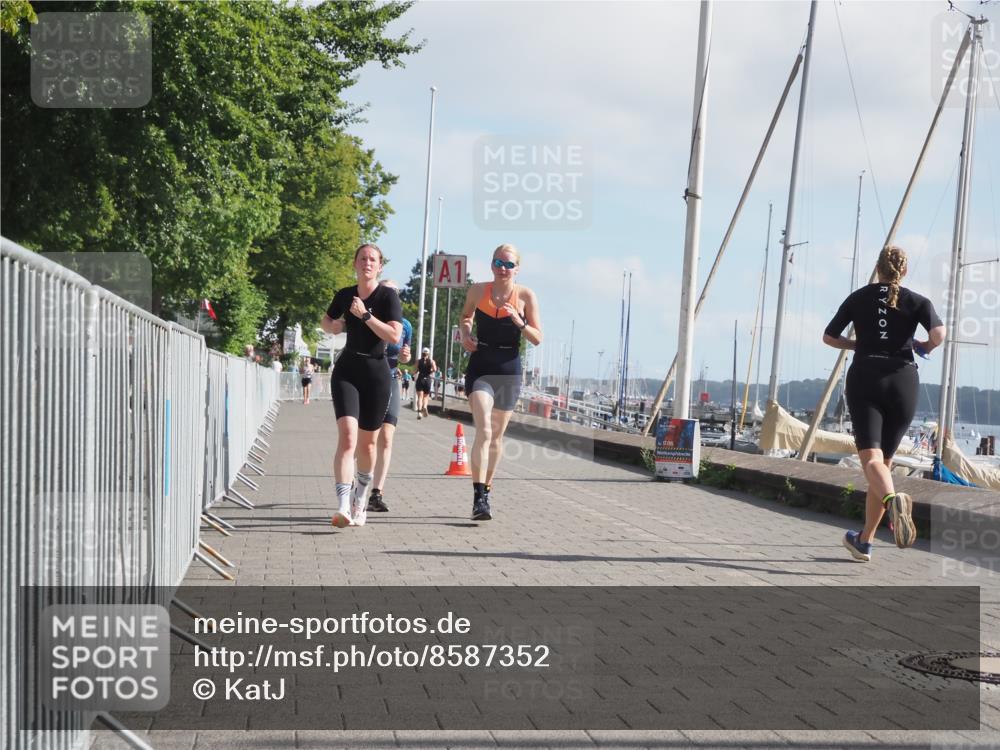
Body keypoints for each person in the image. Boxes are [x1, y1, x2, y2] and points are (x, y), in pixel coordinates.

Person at [823, 245, 945, 562]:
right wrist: (924, 345)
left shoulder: (859, 297)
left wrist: (856, 344)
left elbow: (829, 336)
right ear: (903, 271)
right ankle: (864, 540)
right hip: (904, 380)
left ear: (877, 269)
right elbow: (940, 333)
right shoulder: (918, 301)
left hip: (866, 375)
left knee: (872, 461)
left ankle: (892, 502)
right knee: (884, 465)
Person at [321, 243, 403, 529]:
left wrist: (365, 316)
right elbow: (328, 319)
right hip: (347, 370)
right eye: (362, 258)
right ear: (355, 264)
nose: (367, 263)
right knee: (347, 438)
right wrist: (333, 326)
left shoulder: (388, 296)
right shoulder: (345, 294)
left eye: (373, 259)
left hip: (377, 373)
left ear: (379, 266)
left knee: (368, 446)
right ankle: (343, 506)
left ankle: (361, 496)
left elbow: (394, 335)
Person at [459, 243, 543, 520]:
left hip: (509, 368)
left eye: (508, 264)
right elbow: (465, 317)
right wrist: (466, 334)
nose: (503, 269)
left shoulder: (526, 296)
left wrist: (518, 321)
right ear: (491, 264)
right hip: (481, 364)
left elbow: (537, 338)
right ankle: (477, 497)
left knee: (496, 435)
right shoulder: (477, 290)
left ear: (517, 269)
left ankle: (487, 488)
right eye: (498, 263)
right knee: (483, 430)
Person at [369, 280, 412, 513]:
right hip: (367, 379)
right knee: (366, 439)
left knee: (386, 436)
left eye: (394, 291)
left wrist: (406, 355)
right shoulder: (367, 317)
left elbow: (405, 357)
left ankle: (377, 493)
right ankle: (356, 482)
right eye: (386, 290)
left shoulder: (404, 325)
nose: (390, 294)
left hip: (392, 378)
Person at [414, 348, 436, 419]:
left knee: (420, 397)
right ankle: (425, 407)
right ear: (428, 354)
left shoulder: (418, 361)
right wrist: (430, 371)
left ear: (422, 353)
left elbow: (415, 370)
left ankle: (419, 412)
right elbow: (435, 369)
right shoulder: (432, 361)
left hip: (420, 378)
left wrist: (412, 375)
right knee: (426, 397)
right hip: (428, 379)